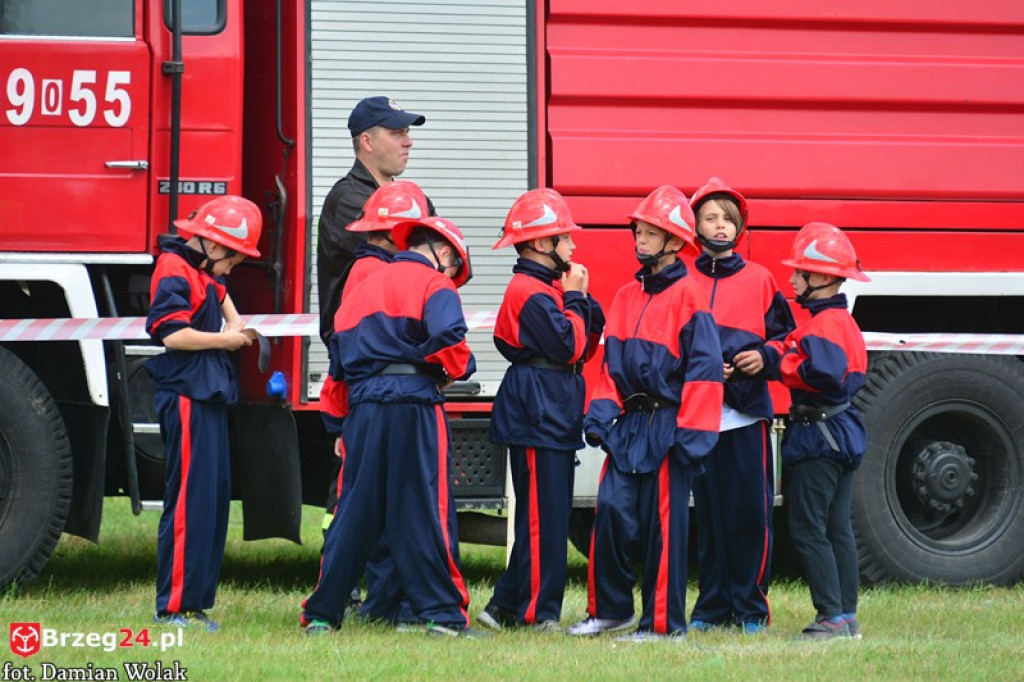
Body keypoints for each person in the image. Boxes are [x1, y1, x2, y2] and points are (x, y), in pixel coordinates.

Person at [302, 216, 480, 637]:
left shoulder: (360, 289)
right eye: (455, 267)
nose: (452, 276)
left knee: (353, 512)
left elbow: (337, 369)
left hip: (362, 410)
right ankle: (444, 616)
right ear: (444, 253)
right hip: (415, 404)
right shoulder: (435, 285)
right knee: (426, 510)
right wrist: (455, 368)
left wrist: (339, 426)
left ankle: (323, 615)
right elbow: (451, 342)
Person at [568, 185, 723, 641]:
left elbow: (705, 375)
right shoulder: (624, 296)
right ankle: (610, 611)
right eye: (639, 229)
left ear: (675, 241)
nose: (639, 238)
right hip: (630, 427)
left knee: (664, 530)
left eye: (650, 232)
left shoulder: (691, 298)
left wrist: (692, 437)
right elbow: (610, 369)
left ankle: (662, 623)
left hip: (670, 426)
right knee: (612, 515)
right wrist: (599, 417)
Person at [477, 188, 605, 632]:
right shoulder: (530, 292)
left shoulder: (544, 290)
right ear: (538, 244)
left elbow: (578, 350)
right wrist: (575, 302)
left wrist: (582, 305)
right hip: (537, 412)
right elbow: (569, 343)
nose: (572, 246)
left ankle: (505, 607)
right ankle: (537, 613)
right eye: (563, 237)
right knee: (541, 520)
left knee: (547, 517)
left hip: (549, 409)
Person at [145, 195, 263, 631]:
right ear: (214, 246)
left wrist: (233, 324)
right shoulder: (174, 270)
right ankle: (174, 607)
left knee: (210, 502)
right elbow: (173, 336)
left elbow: (227, 304)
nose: (232, 268)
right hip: (187, 397)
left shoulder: (203, 271)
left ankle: (193, 604)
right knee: (188, 504)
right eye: (233, 258)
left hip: (208, 397)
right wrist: (226, 340)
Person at [318, 180, 431, 624]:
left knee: (374, 508)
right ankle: (386, 606)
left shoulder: (367, 268)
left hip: (360, 403)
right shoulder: (374, 273)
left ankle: (380, 606)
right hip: (375, 402)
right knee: (385, 509)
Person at [687, 178, 796, 635]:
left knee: (748, 515)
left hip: (747, 415)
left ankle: (751, 608)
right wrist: (703, 369)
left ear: (739, 228)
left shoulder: (761, 279)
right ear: (694, 225)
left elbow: (786, 340)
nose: (720, 225)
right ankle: (711, 607)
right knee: (707, 518)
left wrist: (763, 358)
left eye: (728, 219)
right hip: (698, 416)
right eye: (710, 217)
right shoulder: (682, 280)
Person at [762, 222, 870, 640]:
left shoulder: (820, 328)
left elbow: (822, 373)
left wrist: (782, 364)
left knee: (809, 528)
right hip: (841, 432)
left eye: (799, 272)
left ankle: (830, 617)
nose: (791, 279)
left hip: (816, 437)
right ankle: (847, 614)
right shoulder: (844, 322)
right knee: (838, 526)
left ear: (822, 277)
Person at [316, 95, 433, 345]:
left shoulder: (414, 200)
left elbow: (453, 258)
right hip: (364, 350)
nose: (409, 142)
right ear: (367, 142)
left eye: (408, 132)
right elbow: (404, 267)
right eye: (397, 133)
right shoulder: (347, 200)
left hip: (407, 344)